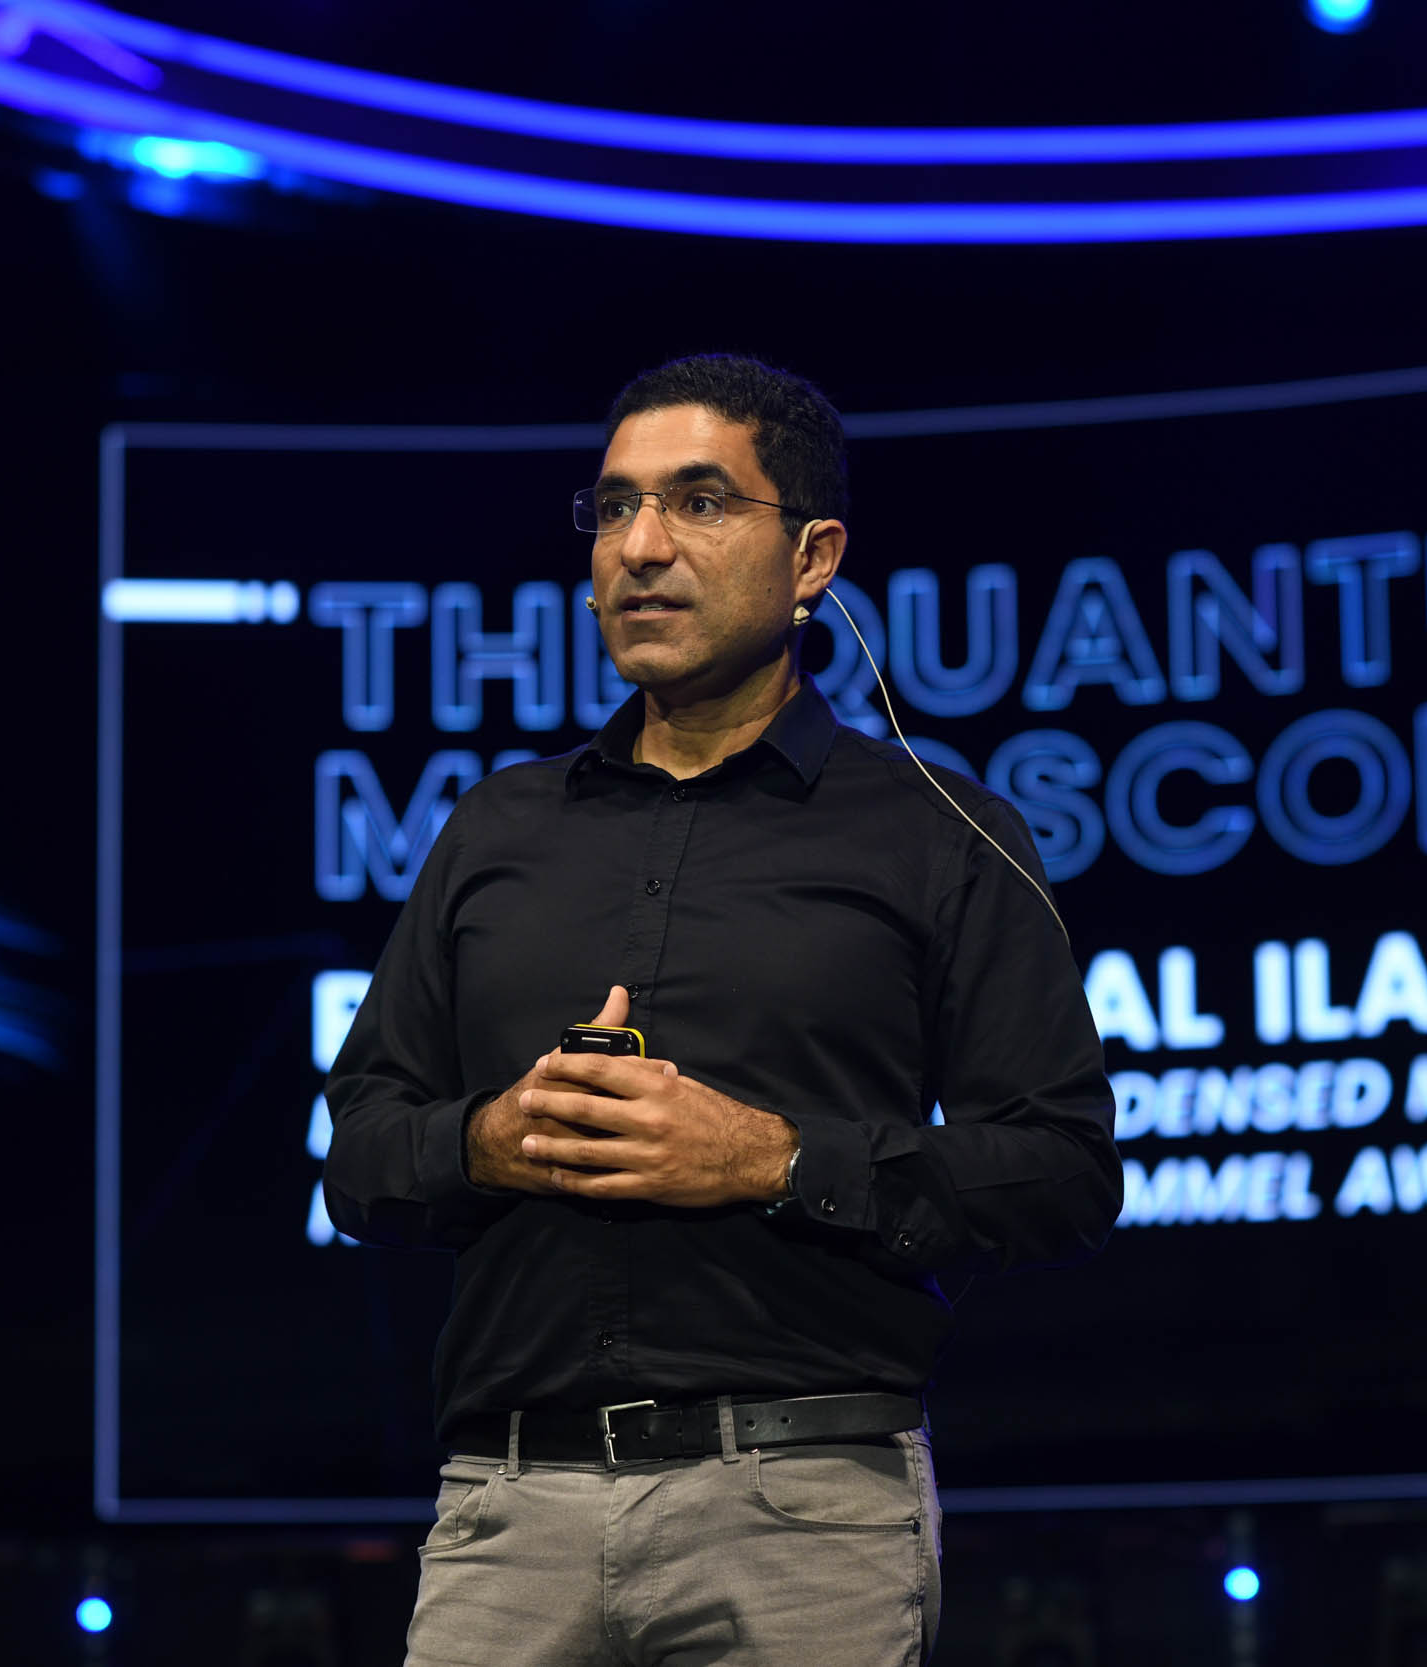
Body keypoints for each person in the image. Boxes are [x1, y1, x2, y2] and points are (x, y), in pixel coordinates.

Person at [323, 353, 1118, 1666]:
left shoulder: (942, 833)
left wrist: (772, 1158)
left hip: (802, 1514)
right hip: (506, 1517)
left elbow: (1062, 1174)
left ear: (814, 558)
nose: (640, 548)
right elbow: (359, 1151)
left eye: (698, 503)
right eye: (613, 508)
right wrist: (487, 1142)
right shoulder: (495, 830)